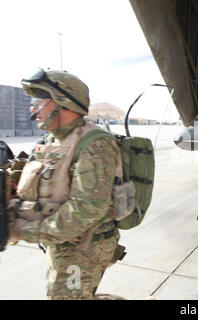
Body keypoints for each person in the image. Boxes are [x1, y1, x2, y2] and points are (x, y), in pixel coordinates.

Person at [8, 68, 125, 299]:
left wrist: (22, 230)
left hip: (85, 247)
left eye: (38, 101)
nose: (32, 108)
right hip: (61, 242)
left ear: (63, 102)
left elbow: (85, 210)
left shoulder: (95, 145)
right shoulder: (52, 141)